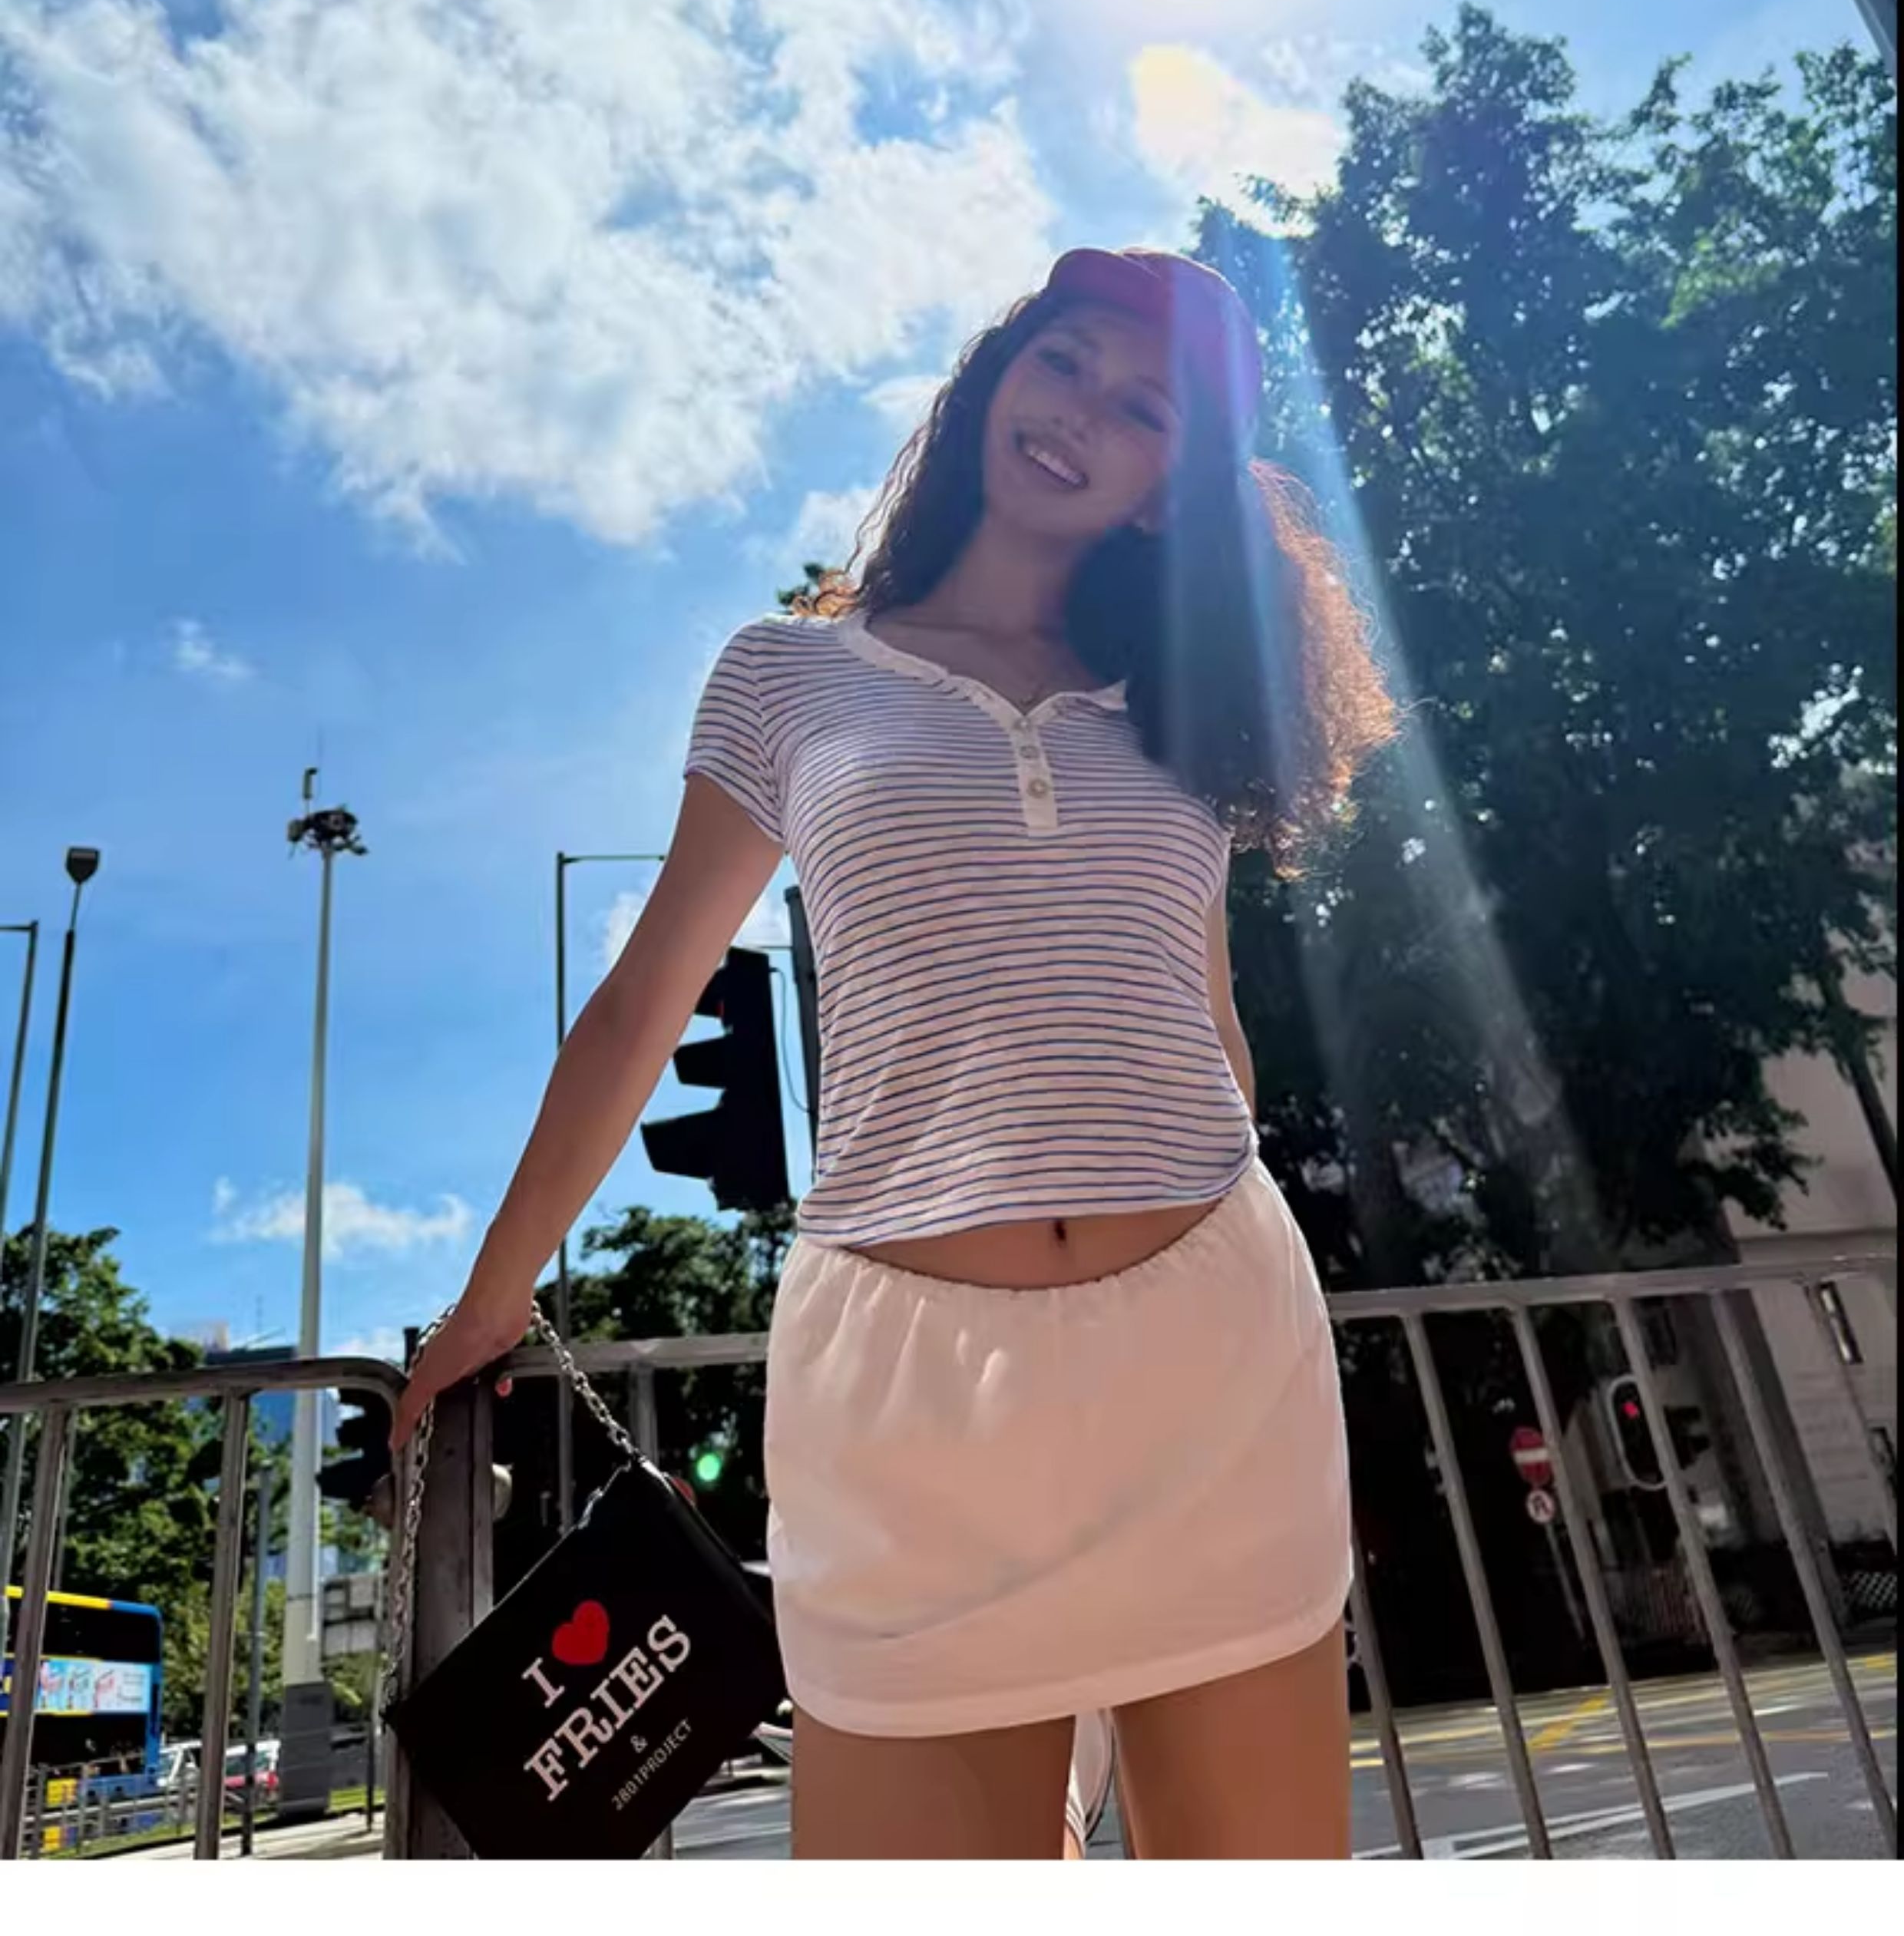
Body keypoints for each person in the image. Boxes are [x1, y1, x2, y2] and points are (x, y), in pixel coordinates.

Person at [394, 246, 1395, 1858]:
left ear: (1164, 493)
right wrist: (498, 1289)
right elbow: (646, 996)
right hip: (905, 1403)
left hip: (1211, 1364)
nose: (1082, 412)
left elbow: (1206, 1011)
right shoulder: (791, 673)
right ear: (998, 377)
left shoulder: (1177, 714)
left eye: (1143, 409)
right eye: (1064, 360)